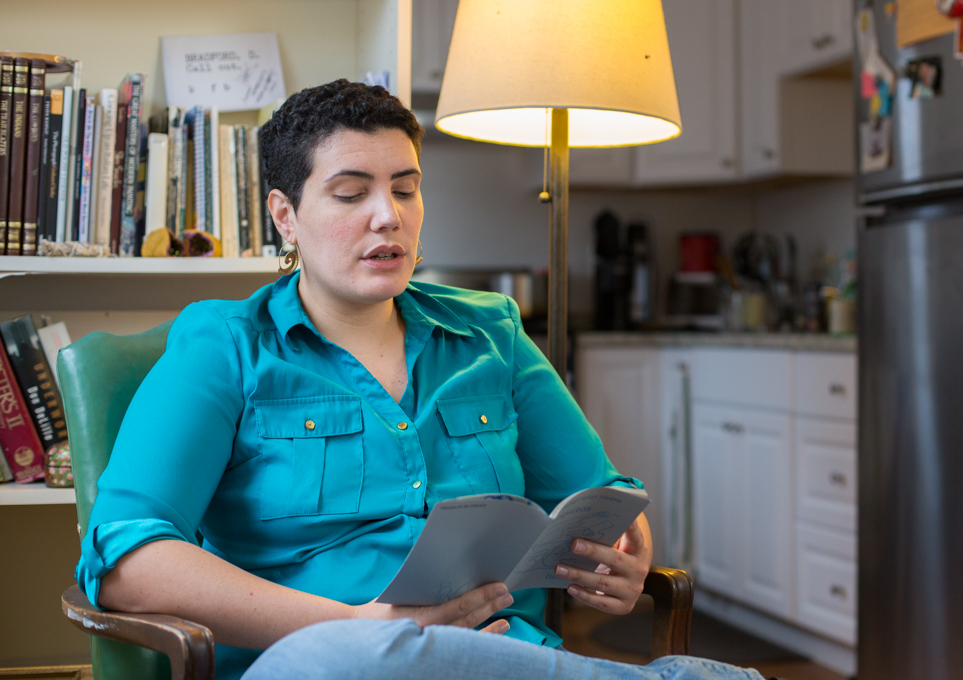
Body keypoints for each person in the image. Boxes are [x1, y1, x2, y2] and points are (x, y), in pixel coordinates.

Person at [75, 80, 762, 680]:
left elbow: (597, 493)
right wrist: (356, 624)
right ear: (286, 215)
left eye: (406, 188)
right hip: (316, 662)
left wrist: (617, 552)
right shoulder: (224, 346)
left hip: (498, 658)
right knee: (335, 660)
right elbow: (128, 559)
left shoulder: (491, 332)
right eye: (351, 193)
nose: (389, 214)